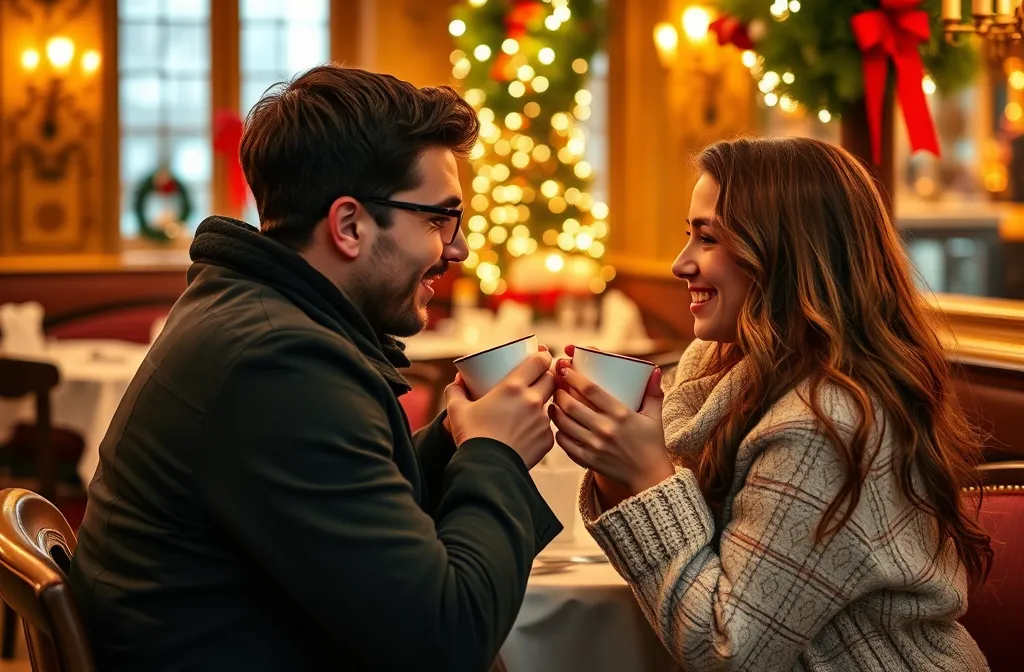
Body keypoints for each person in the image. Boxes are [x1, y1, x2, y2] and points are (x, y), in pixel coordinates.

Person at [69, 65, 561, 671]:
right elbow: (446, 640)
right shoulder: (279, 363)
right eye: (438, 220)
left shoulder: (256, 315)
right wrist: (497, 454)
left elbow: (347, 513)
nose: (456, 249)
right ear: (350, 224)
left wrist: (463, 434)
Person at [549, 137, 992, 671]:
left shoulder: (826, 422)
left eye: (707, 238)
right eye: (687, 235)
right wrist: (614, 464)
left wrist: (644, 476)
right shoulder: (716, 375)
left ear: (785, 253)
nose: (679, 263)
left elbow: (729, 649)